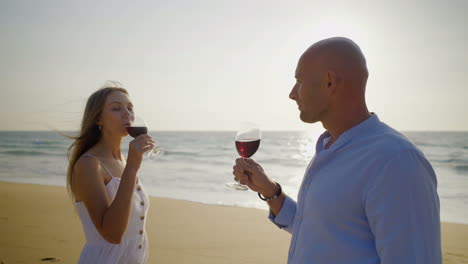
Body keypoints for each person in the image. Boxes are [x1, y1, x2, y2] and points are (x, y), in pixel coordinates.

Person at [232, 37, 442, 263]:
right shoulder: (328, 147)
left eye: (299, 81)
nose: (292, 94)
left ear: (330, 82)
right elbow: (320, 230)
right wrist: (271, 191)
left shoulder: (395, 161)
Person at [66, 83, 155, 264]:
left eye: (130, 108)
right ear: (98, 118)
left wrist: (129, 164)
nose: (127, 114)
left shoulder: (123, 159)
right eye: (116, 108)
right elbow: (112, 234)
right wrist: (132, 167)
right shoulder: (89, 164)